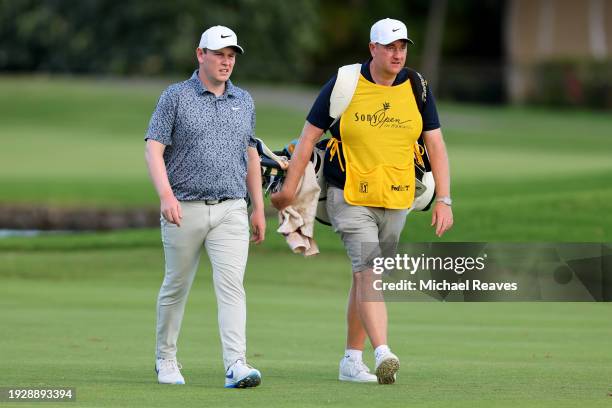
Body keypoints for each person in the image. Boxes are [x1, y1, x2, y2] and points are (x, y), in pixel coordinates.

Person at [271, 18, 453, 384]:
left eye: (402, 47)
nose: (397, 53)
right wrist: (289, 190)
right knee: (368, 270)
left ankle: (351, 361)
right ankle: (383, 350)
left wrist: (444, 198)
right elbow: (307, 139)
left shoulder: (417, 86)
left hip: (397, 197)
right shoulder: (344, 83)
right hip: (348, 195)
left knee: (365, 276)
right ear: (372, 48)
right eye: (389, 47)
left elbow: (434, 142)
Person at [144, 25, 265, 388]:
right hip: (184, 208)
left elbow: (251, 154)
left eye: (231, 56)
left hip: (231, 208)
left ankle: (236, 365)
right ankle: (165, 359)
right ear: (201, 55)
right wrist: (166, 195)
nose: (227, 62)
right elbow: (154, 147)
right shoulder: (176, 96)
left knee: (232, 287)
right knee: (176, 285)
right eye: (220, 55)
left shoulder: (243, 99)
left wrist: (257, 207)